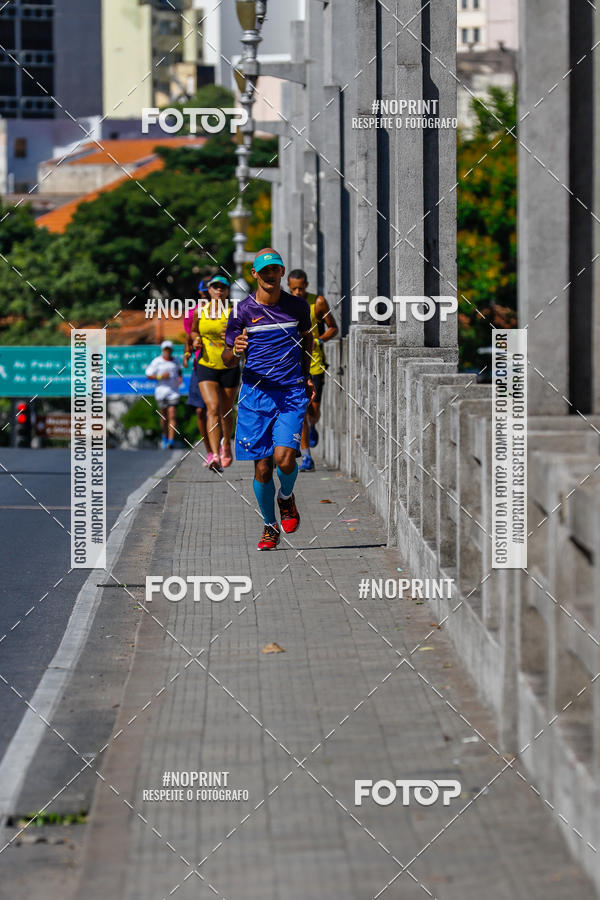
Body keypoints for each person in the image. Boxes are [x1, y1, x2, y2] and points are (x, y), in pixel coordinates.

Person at [222, 249, 315, 550]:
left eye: (275, 270)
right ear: (255, 275)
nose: (270, 276)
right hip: (255, 395)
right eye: (264, 271)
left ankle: (286, 498)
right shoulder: (241, 312)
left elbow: (307, 339)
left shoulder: (298, 307)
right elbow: (226, 358)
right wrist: (235, 351)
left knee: (284, 459)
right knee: (262, 468)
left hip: (290, 392)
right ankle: (269, 525)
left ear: (282, 272)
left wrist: (308, 375)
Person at [287, 269, 338, 471]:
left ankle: (313, 423)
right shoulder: (284, 305)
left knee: (313, 411)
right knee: (301, 410)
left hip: (315, 363)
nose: (298, 292)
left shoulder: (317, 303)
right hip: (293, 365)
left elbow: (333, 328)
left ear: (306, 285)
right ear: (289, 288)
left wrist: (318, 340)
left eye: (301, 288)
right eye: (294, 289)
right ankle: (307, 457)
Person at [190, 274, 240, 472]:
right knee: (212, 407)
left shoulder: (234, 312)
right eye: (215, 287)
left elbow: (245, 334)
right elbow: (193, 331)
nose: (219, 290)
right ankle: (215, 456)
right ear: (209, 290)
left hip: (229, 366)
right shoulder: (199, 311)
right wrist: (196, 340)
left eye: (223, 287)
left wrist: (232, 335)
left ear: (227, 291)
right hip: (206, 364)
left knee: (226, 411)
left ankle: (226, 443)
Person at [183, 279, 210, 464]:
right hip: (199, 365)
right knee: (200, 410)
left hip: (222, 366)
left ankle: (222, 444)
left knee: (218, 410)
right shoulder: (193, 313)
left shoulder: (228, 311)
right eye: (207, 290)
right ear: (200, 293)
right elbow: (189, 335)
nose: (210, 293)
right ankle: (210, 450)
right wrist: (187, 352)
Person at [145, 340, 182, 449]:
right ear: (162, 350)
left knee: (172, 414)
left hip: (173, 392)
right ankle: (164, 436)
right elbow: (148, 375)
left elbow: (179, 371)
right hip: (161, 392)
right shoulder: (157, 361)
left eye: (169, 349)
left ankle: (171, 440)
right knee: (164, 417)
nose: (167, 352)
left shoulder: (176, 361)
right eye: (165, 350)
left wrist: (180, 378)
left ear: (171, 350)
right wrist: (161, 377)